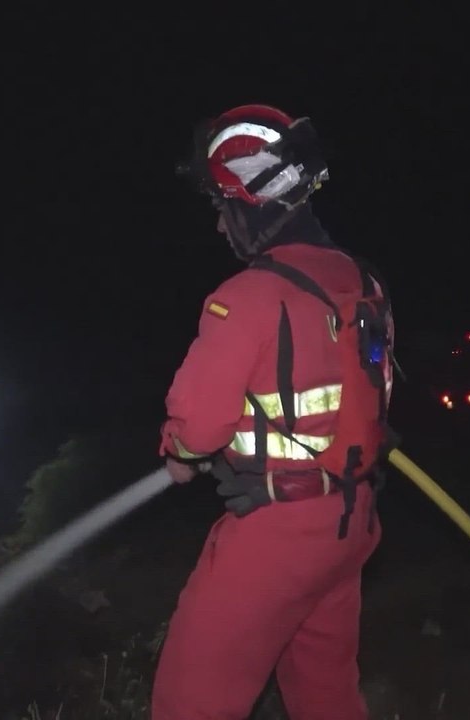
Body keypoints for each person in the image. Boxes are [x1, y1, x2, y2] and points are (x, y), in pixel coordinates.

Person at [150, 104, 394, 720]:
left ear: (250, 203)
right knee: (326, 694)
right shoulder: (363, 282)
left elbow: (199, 424)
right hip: (350, 520)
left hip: (276, 537)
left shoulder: (248, 296)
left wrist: (179, 453)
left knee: (190, 700)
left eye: (221, 207)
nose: (219, 227)